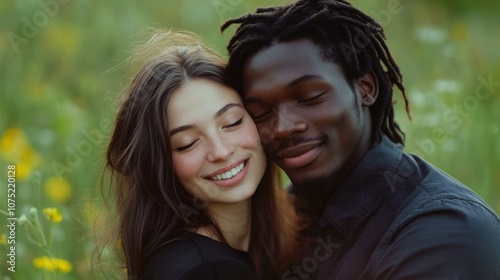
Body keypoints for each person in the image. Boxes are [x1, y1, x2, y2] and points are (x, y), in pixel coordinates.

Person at [221, 0, 500, 279]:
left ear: (366, 89)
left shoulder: (445, 233)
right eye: (260, 112)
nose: (282, 127)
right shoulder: (276, 219)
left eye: (310, 98)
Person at [98, 30, 301, 280]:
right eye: (187, 143)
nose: (221, 151)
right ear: (159, 165)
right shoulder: (206, 270)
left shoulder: (271, 237)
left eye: (233, 122)